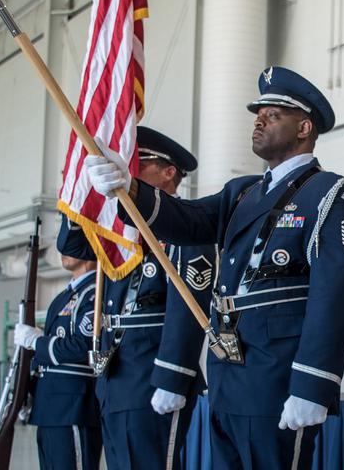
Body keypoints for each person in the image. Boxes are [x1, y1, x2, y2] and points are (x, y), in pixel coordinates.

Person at [84, 67, 344, 469]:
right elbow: (189, 219)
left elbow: (336, 297)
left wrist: (314, 384)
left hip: (279, 379)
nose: (259, 119)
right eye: (258, 113)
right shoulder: (243, 191)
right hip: (229, 374)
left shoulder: (331, 193)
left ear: (304, 127)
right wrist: (129, 188)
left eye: (273, 114)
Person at [60, 126, 216, 469]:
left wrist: (174, 375)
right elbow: (71, 247)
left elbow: (187, 307)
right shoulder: (119, 230)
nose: (128, 171)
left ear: (169, 171)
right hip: (116, 372)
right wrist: (84, 190)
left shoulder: (188, 226)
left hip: (152, 373)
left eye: (138, 162)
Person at [13, 217, 102, 469]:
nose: (63, 252)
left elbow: (83, 346)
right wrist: (29, 391)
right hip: (50, 404)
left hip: (74, 404)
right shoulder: (65, 296)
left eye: (71, 246)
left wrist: (38, 342)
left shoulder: (95, 293)